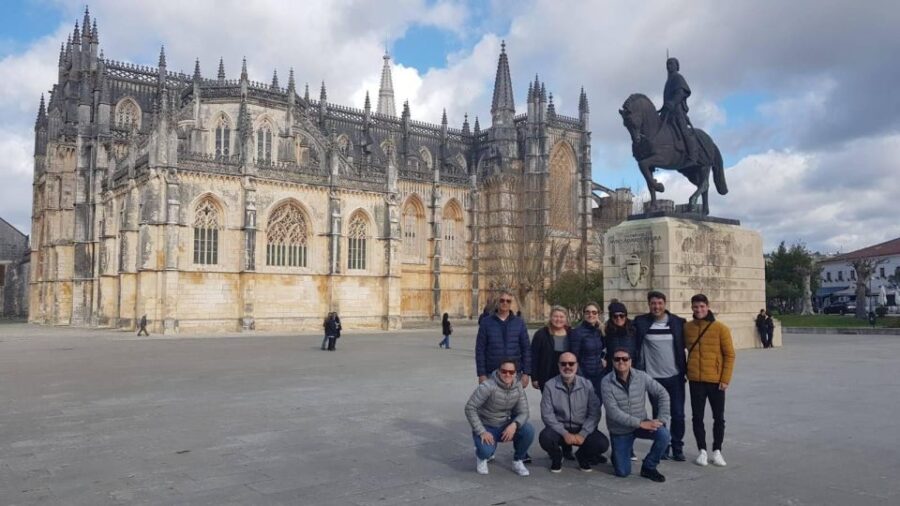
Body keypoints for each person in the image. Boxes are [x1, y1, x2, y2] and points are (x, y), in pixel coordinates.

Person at [601, 347, 671, 482]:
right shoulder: (606, 382)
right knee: (622, 472)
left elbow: (662, 393)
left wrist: (662, 418)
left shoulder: (641, 376)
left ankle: (649, 467)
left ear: (630, 361)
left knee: (664, 434)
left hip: (641, 425)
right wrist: (640, 423)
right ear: (613, 361)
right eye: (617, 359)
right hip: (620, 430)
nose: (621, 362)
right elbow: (613, 412)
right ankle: (618, 455)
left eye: (625, 359)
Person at [633, 291, 687, 461]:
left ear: (665, 304)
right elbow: (622, 329)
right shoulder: (641, 322)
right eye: (653, 303)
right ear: (649, 305)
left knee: (678, 414)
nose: (656, 306)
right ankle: (663, 446)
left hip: (675, 376)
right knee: (659, 415)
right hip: (653, 379)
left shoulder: (677, 323)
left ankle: (677, 447)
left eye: (659, 303)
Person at [684, 294, 735, 467]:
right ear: (692, 308)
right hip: (695, 380)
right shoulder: (688, 328)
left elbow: (729, 355)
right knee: (697, 417)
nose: (699, 310)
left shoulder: (720, 328)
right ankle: (702, 451)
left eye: (702, 306)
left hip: (715, 380)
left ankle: (717, 450)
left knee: (718, 417)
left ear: (708, 306)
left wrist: (725, 378)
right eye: (695, 307)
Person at [539, 352, 610, 473]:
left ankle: (582, 456)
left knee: (602, 443)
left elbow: (595, 413)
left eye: (571, 363)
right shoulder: (550, 385)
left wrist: (583, 433)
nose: (567, 366)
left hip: (581, 427)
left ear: (577, 365)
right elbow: (547, 414)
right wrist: (565, 433)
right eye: (563, 363)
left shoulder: (587, 385)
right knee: (545, 437)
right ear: (558, 365)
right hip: (560, 429)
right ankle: (557, 456)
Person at [464, 358, 534, 476]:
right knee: (485, 451)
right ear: (498, 371)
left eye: (511, 372)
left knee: (528, 430)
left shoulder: (518, 387)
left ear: (515, 373)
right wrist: (481, 431)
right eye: (504, 371)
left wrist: (514, 424)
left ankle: (518, 460)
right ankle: (482, 456)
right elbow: (470, 407)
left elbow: (524, 412)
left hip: (505, 425)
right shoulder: (488, 386)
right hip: (487, 426)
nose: (507, 374)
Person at [475, 290, 531, 388]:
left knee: (514, 402)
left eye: (508, 301)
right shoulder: (486, 323)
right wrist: (481, 374)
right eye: (502, 300)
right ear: (497, 302)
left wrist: (526, 373)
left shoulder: (519, 323)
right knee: (491, 403)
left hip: (514, 374)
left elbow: (526, 349)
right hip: (491, 373)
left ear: (511, 303)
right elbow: (480, 350)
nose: (505, 303)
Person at [661, 57, 699, 165]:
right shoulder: (668, 82)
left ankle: (693, 156)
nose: (669, 66)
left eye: (671, 63)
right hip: (667, 112)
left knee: (684, 131)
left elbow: (681, 93)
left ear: (677, 66)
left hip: (677, 111)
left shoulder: (678, 78)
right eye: (668, 64)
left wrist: (672, 102)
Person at [530, 306, 571, 391]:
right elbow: (534, 356)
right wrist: (534, 377)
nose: (558, 319)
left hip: (567, 376)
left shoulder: (571, 334)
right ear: (551, 317)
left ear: (566, 319)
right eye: (555, 316)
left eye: (561, 317)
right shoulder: (541, 334)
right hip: (546, 376)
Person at [570, 301, 606, 395]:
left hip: (599, 376)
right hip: (584, 377)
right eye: (588, 312)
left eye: (594, 312)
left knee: (597, 406)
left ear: (598, 314)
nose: (591, 315)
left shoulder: (599, 331)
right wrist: (581, 379)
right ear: (584, 314)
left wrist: (603, 358)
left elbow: (605, 347)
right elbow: (574, 358)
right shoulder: (577, 332)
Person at [603, 301, 637, 375]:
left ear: (625, 316)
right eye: (615, 316)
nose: (618, 318)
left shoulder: (634, 330)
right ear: (611, 317)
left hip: (632, 369)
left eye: (621, 315)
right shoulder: (607, 332)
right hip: (613, 371)